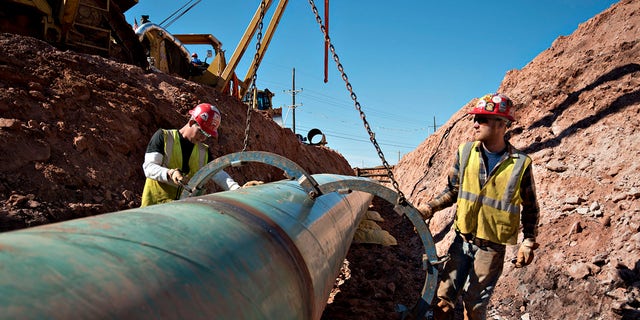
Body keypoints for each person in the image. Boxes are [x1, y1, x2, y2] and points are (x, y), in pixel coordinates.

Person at [417, 93, 540, 320]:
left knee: (473, 308)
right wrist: (429, 208)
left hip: (491, 249)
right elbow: (453, 191)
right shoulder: (465, 153)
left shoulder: (520, 164)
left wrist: (529, 241)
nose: (475, 124)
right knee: (442, 302)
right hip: (461, 241)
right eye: (475, 118)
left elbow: (531, 208)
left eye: (482, 119)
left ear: (502, 124)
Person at [141, 103, 260, 207]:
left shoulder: (203, 151)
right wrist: (169, 173)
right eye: (202, 132)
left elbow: (217, 173)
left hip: (180, 212)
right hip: (154, 209)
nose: (203, 137)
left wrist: (236, 189)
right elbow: (149, 168)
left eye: (207, 135)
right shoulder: (164, 137)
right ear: (192, 122)